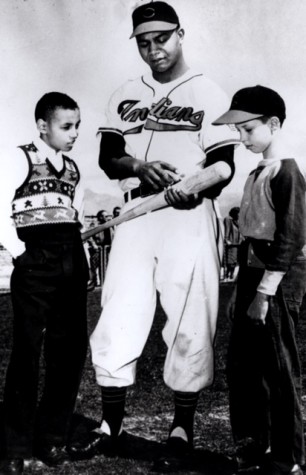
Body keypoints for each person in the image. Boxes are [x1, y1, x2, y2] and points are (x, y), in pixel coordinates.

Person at [69, 1, 239, 467]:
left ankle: (181, 432)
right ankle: (110, 427)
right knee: (118, 310)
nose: (153, 49)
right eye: (143, 41)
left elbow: (225, 164)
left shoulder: (208, 92)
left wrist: (196, 186)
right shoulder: (126, 91)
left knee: (189, 315)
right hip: (135, 215)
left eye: (161, 38)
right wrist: (138, 166)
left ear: (180, 34)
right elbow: (109, 156)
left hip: (187, 214)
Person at [213, 85, 306, 475]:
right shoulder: (257, 172)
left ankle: (288, 459)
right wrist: (240, 289)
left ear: (274, 124)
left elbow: (291, 236)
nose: (242, 137)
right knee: (244, 366)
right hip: (252, 275)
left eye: (248, 130)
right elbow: (250, 237)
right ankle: (255, 444)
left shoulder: (286, 170)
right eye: (238, 130)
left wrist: (265, 294)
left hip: (278, 279)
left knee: (278, 367)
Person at [0, 92, 89, 475]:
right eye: (66, 127)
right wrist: (17, 253)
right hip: (35, 263)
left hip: (72, 260)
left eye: (77, 127)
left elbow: (77, 215)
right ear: (42, 126)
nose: (73, 135)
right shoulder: (18, 157)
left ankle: (51, 437)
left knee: (67, 355)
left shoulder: (73, 168)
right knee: (26, 354)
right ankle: (14, 446)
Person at [223, 206, 242, 281]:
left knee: (235, 261)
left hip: (238, 244)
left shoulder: (239, 221)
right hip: (231, 244)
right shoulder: (228, 219)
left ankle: (231, 275)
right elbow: (227, 230)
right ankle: (227, 274)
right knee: (230, 260)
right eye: (238, 213)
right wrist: (226, 239)